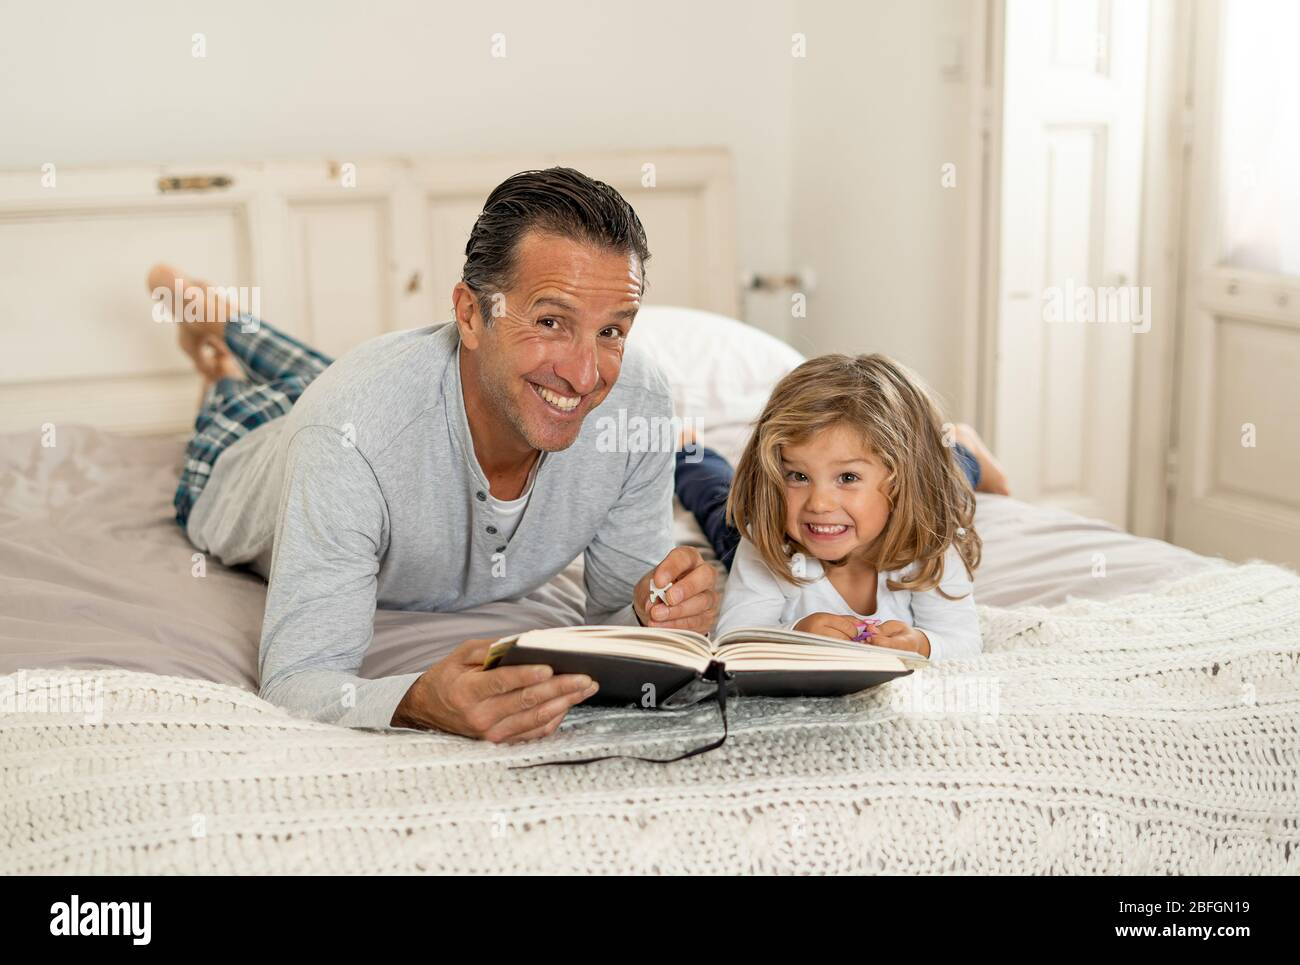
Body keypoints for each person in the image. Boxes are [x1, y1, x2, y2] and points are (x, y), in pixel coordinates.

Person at [154, 167, 719, 742]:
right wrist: (418, 699)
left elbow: (615, 617)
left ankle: (221, 318)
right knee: (244, 398)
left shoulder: (636, 405)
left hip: (372, 397)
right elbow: (300, 679)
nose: (584, 376)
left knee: (321, 375)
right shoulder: (345, 432)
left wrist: (656, 614)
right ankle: (217, 350)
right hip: (246, 453)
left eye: (611, 332)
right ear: (471, 314)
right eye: (551, 322)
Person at [678, 353, 1010, 660]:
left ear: (898, 482)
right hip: (780, 535)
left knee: (945, 480)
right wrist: (795, 637)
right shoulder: (767, 542)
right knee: (720, 504)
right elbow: (736, 642)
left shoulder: (931, 540)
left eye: (847, 477)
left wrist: (923, 645)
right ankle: (688, 448)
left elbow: (963, 640)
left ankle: (961, 446)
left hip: (921, 488)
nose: (819, 503)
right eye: (798, 475)